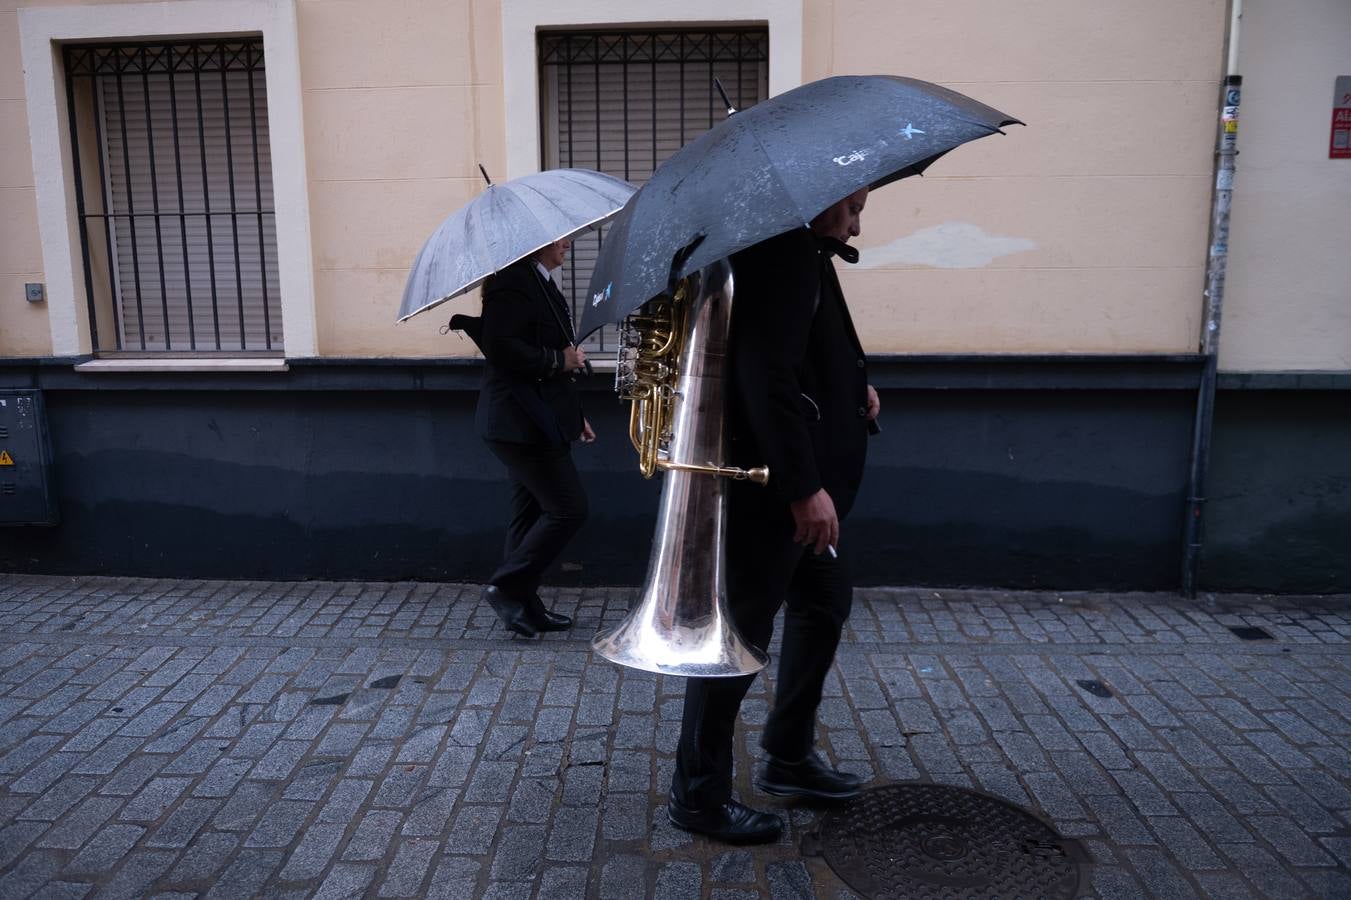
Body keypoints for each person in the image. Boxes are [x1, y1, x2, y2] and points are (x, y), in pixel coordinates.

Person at [667, 189, 881, 844]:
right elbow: (767, 377)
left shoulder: (803, 250)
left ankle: (787, 757)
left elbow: (810, 354)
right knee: (737, 639)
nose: (860, 214)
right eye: (852, 202)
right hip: (776, 495)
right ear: (816, 201)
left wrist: (853, 388)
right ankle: (697, 797)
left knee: (823, 604)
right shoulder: (781, 255)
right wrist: (800, 489)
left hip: (799, 485)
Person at [474, 238, 595, 638]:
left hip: (539, 420)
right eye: (560, 238)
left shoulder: (537, 281)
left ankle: (524, 606)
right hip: (519, 423)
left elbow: (549, 346)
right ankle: (507, 587)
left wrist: (575, 417)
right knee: (568, 509)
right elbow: (501, 347)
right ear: (537, 243)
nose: (569, 243)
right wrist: (559, 360)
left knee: (527, 517)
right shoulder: (512, 284)